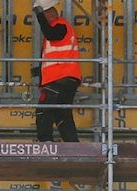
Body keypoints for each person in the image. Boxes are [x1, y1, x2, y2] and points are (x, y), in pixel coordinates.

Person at [32, 0, 82, 142]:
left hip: (60, 78)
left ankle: (45, 142)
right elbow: (55, 56)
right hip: (66, 78)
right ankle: (72, 145)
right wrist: (39, 73)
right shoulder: (61, 27)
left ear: (51, 14)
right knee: (62, 115)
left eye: (44, 15)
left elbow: (51, 34)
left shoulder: (60, 25)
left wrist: (39, 14)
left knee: (44, 110)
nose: (43, 20)